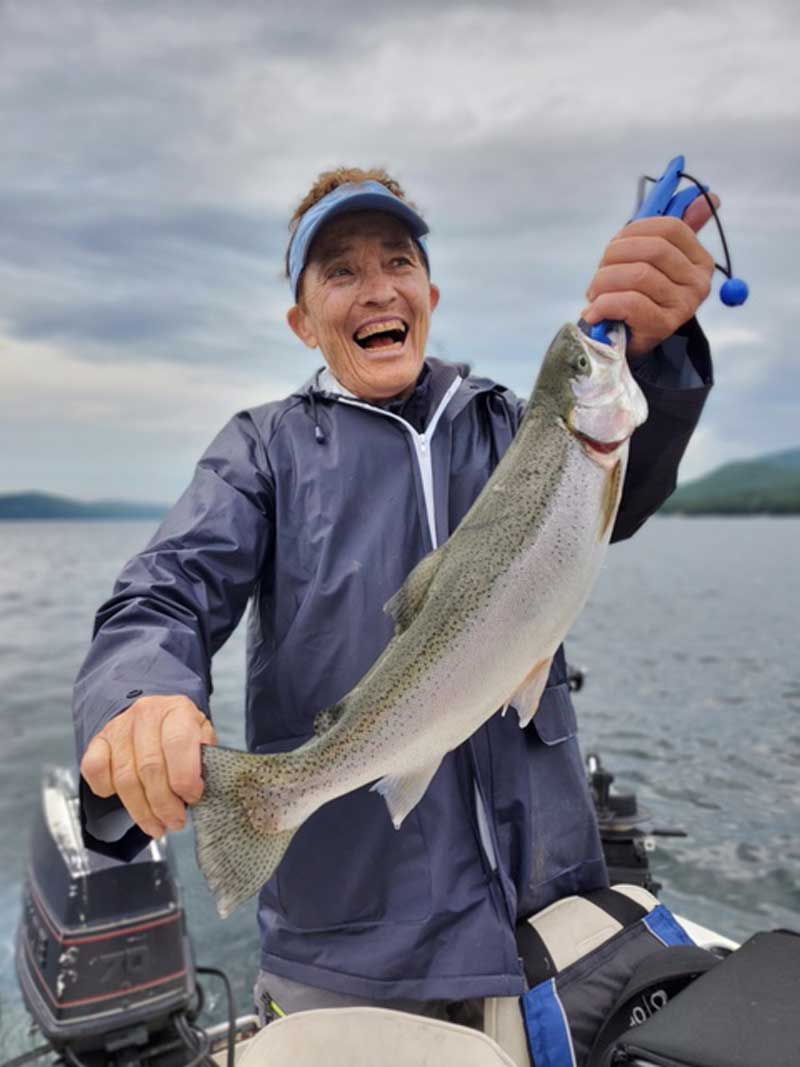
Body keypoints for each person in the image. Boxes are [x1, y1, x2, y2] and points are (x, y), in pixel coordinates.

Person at [74, 166, 715, 1025]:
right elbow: (168, 586)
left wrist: (658, 349)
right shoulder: (262, 451)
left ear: (430, 291)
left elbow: (613, 493)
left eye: (398, 261)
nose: (377, 287)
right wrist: (139, 692)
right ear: (303, 322)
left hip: (545, 921)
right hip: (349, 947)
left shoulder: (512, 429)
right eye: (340, 270)